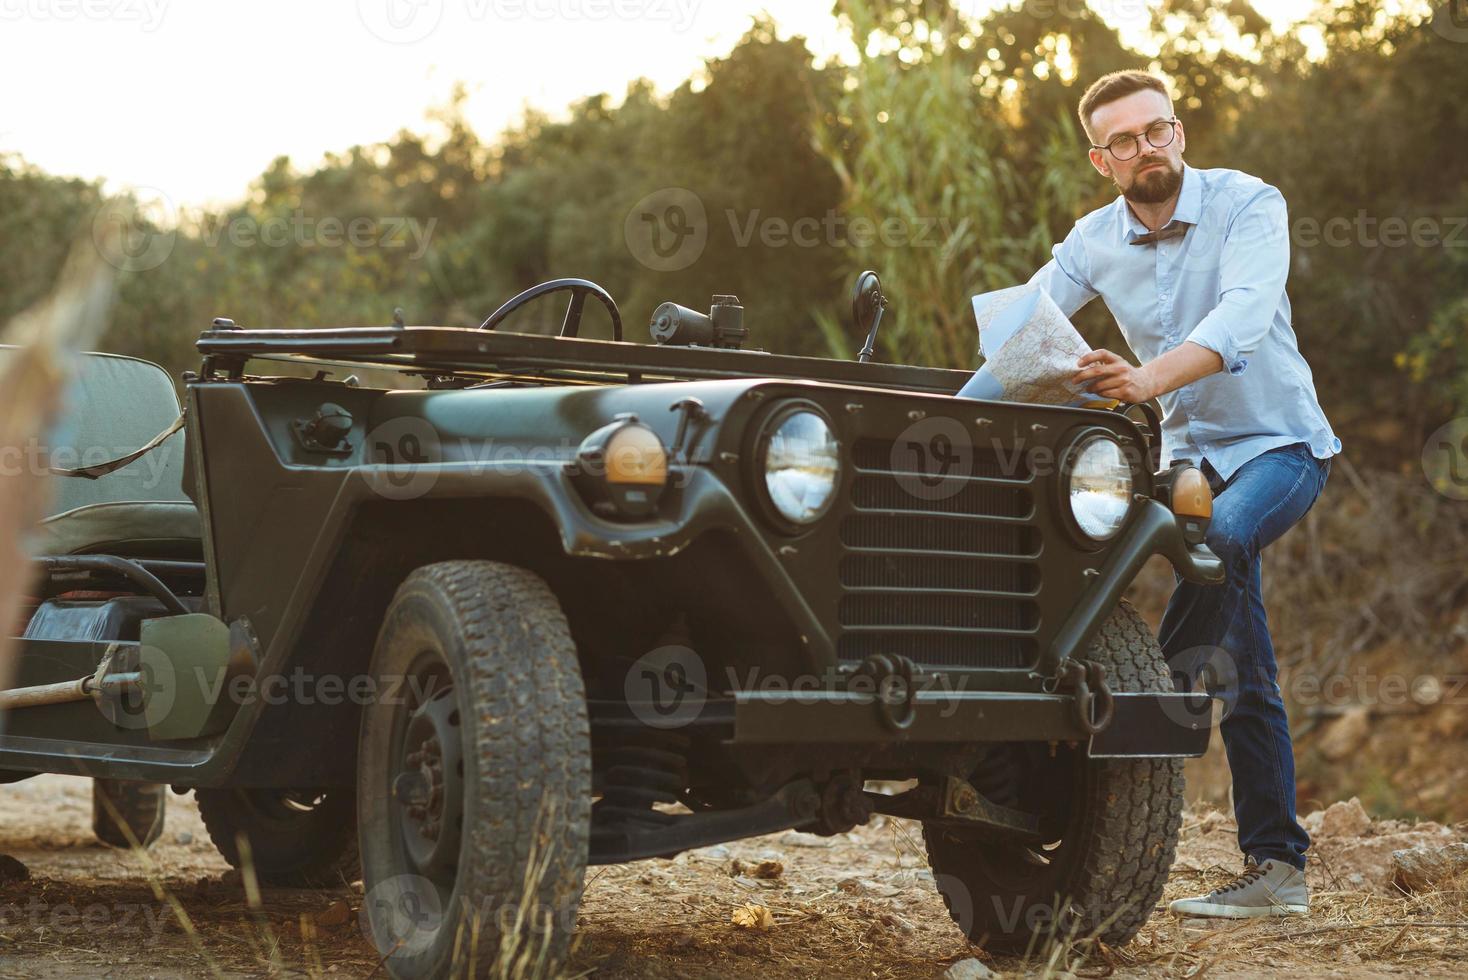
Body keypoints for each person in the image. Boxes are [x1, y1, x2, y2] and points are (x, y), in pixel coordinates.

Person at [1028, 69, 1340, 918]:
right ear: (1103, 160)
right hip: (1187, 462)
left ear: (1180, 133)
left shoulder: (1249, 203)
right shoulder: (1091, 239)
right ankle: (1277, 868)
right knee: (1245, 668)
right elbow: (1026, 329)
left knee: (1218, 543)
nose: (1145, 149)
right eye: (1123, 141)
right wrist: (977, 400)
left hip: (1280, 446)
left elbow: (1242, 314)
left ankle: (1142, 716)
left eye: (1155, 130)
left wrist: (1142, 381)